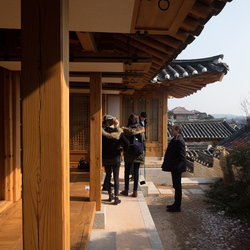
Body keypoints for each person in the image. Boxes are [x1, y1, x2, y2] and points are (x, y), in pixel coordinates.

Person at [102, 115, 130, 205]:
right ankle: (116, 198)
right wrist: (122, 150)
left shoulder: (103, 132)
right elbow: (127, 143)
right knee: (116, 178)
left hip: (106, 157)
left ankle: (110, 195)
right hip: (116, 157)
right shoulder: (119, 132)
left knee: (108, 176)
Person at [161, 124, 186, 212]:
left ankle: (177, 206)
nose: (171, 131)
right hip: (175, 167)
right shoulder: (175, 139)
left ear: (177, 131)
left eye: (172, 130)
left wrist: (172, 162)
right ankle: (175, 204)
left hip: (177, 167)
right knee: (175, 186)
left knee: (178, 186)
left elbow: (182, 157)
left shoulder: (179, 141)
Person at [121, 113, 146, 197]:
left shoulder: (126, 131)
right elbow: (144, 142)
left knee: (127, 171)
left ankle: (126, 190)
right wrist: (143, 152)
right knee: (136, 172)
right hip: (138, 153)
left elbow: (123, 142)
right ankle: (135, 191)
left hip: (128, 152)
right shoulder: (141, 130)